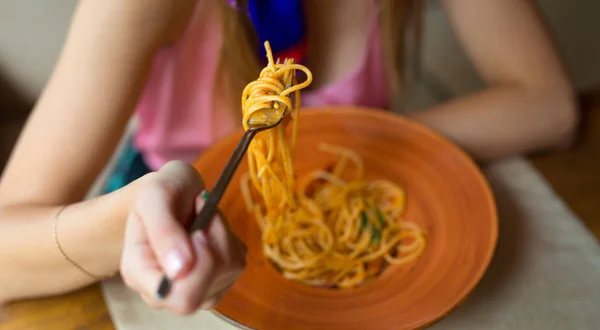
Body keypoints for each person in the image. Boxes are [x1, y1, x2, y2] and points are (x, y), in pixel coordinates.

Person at [0, 0, 578, 313]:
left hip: (338, 198)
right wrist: (118, 228)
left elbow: (550, 105)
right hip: (162, 209)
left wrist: (348, 146)